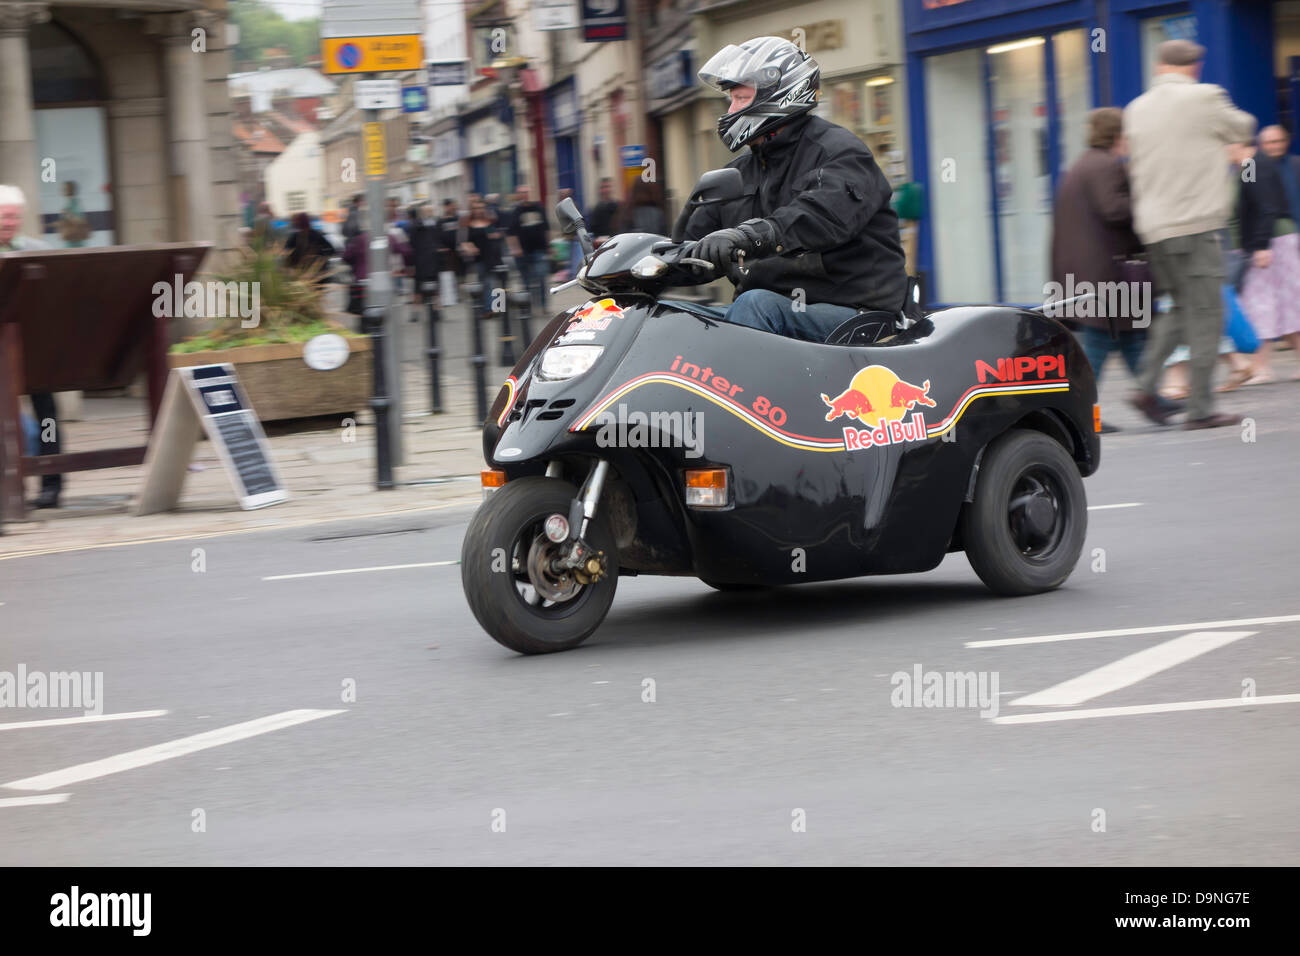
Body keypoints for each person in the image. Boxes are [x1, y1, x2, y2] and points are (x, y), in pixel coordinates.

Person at [683, 36, 908, 341]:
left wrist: (747, 236)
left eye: (740, 98)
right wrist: (643, 262)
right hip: (771, 314)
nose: (730, 109)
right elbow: (689, 248)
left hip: (854, 312)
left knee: (755, 305)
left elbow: (820, 217)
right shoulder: (735, 173)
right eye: (730, 100)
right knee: (671, 315)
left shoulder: (839, 153)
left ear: (779, 94)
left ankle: (741, 389)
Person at [1123, 39, 1256, 429]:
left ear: (1160, 66)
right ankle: (1201, 408)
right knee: (1207, 315)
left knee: (1178, 308)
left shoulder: (1136, 109)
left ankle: (1146, 387)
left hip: (1154, 229)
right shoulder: (1204, 97)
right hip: (1195, 226)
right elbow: (1244, 126)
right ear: (1195, 67)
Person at [1050, 108, 1148, 431]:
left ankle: (1151, 395)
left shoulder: (1081, 164)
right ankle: (1076, 412)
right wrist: (1144, 198)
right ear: (1118, 135)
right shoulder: (1106, 165)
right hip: (1104, 273)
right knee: (1101, 342)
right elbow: (1114, 209)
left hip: (1088, 271)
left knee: (1130, 336)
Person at [0, 185, 60, 508]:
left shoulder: (36, 248)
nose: (9, 222)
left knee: (47, 411)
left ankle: (51, 484)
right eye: (4, 216)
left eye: (14, 216)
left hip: (32, 347)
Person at [1237, 124, 1300, 383]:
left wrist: (1260, 245)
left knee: (1265, 302)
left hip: (1272, 241)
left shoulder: (1252, 166)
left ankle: (1260, 367)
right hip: (1271, 240)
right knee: (1278, 302)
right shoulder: (1252, 166)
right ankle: (1260, 366)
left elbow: (1265, 207)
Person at [506, 183, 551, 313]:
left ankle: (543, 306)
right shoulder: (515, 211)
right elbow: (511, 233)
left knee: (542, 278)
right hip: (523, 252)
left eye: (526, 192)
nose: (524, 195)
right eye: (522, 193)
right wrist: (515, 249)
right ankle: (527, 306)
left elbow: (546, 228)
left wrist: (548, 245)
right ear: (518, 196)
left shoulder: (538, 208)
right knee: (526, 280)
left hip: (539, 250)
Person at [459, 195, 504, 314]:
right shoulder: (469, 225)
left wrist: (495, 236)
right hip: (479, 259)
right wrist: (470, 248)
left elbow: (497, 236)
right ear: (472, 210)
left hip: (493, 256)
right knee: (486, 283)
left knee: (495, 282)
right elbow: (464, 242)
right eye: (476, 208)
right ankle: (489, 308)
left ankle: (498, 308)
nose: (479, 211)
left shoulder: (489, 222)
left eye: (481, 208)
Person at [404, 203, 441, 317]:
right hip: (420, 261)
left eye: (431, 211)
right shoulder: (416, 226)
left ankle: (436, 310)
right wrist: (411, 264)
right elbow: (411, 244)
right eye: (427, 211)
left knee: (435, 288)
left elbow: (438, 240)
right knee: (418, 289)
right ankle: (415, 312)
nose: (429, 213)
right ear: (422, 212)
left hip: (433, 260)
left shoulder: (435, 224)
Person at [284, 212, 336, 279]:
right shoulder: (315, 235)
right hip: (314, 273)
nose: (295, 223)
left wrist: (320, 258)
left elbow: (286, 253)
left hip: (305, 274)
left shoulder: (295, 237)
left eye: (296, 221)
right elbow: (331, 250)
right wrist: (321, 258)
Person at [437, 198, 462, 307]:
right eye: (451, 206)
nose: (453, 208)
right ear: (446, 207)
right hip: (447, 252)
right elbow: (437, 236)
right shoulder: (440, 221)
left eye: (454, 206)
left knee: (459, 273)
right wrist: (441, 247)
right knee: (449, 274)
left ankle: (457, 294)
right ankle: (451, 296)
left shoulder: (458, 218)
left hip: (458, 250)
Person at [586, 178, 621, 246]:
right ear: (600, 190)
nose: (606, 190)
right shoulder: (595, 210)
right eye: (603, 187)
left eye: (608, 187)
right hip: (602, 246)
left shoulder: (619, 207)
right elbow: (592, 231)